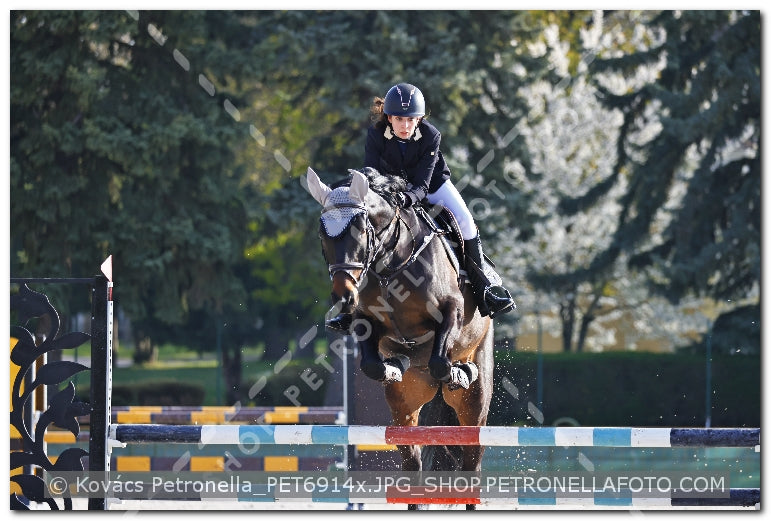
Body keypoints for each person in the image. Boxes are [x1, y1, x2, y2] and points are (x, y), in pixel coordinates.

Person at [326, 82, 515, 333]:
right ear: (389, 117)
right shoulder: (375, 134)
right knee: (366, 231)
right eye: (399, 119)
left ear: (419, 119)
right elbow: (371, 174)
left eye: (411, 120)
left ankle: (485, 288)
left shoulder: (431, 135)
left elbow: (423, 186)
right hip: (390, 189)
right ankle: (352, 307)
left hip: (432, 186)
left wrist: (406, 199)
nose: (405, 126)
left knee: (466, 220)